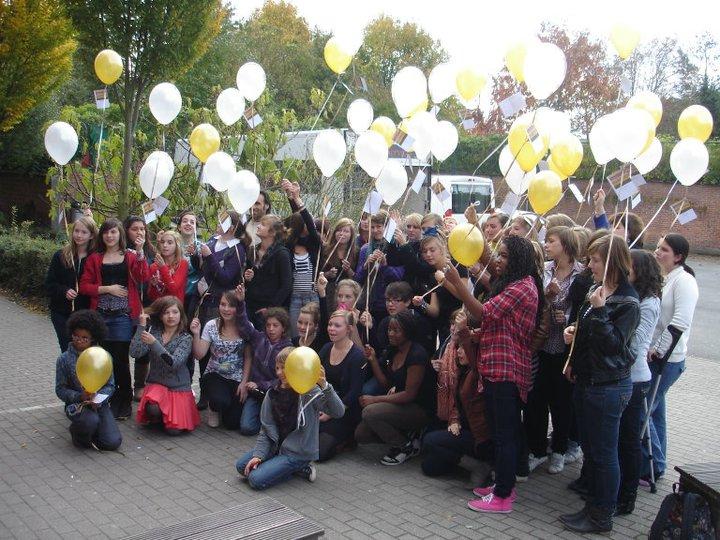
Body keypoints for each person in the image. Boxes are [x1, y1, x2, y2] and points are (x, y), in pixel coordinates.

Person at [443, 235, 543, 514]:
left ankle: (503, 496)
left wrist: (459, 284)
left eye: (505, 256)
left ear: (519, 260)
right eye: (499, 254)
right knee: (501, 433)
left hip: (507, 370)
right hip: (494, 368)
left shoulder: (523, 287)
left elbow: (485, 313)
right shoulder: (513, 284)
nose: (498, 260)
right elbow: (497, 327)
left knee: (506, 435)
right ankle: (501, 485)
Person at [560, 234, 639, 533]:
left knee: (605, 454)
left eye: (595, 259)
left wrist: (602, 310)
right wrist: (573, 333)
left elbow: (615, 345)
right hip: (587, 379)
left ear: (611, 263)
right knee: (592, 450)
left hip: (608, 386)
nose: (589, 264)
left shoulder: (628, 302)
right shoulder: (597, 289)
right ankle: (591, 505)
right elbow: (587, 328)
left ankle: (602, 515)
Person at [235, 347, 345, 490]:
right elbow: (266, 428)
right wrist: (259, 456)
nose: (279, 373)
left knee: (255, 480)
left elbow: (338, 411)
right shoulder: (272, 393)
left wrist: (325, 386)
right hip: (276, 446)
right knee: (241, 466)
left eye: (284, 368)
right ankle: (285, 466)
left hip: (297, 453)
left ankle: (300, 466)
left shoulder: (309, 392)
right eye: (277, 368)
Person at [525, 226, 584, 475]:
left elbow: (582, 311)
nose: (546, 245)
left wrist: (567, 317)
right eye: (546, 241)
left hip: (564, 348)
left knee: (562, 403)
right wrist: (546, 297)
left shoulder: (581, 275)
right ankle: (538, 450)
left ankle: (559, 450)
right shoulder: (545, 270)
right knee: (537, 400)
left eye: (551, 241)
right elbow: (534, 301)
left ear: (566, 246)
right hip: (542, 344)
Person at [79, 218, 150, 420]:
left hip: (122, 317)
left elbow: (143, 277)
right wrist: (106, 289)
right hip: (100, 316)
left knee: (120, 361)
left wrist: (141, 252)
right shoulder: (95, 258)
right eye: (106, 232)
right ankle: (106, 398)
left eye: (113, 232)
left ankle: (124, 400)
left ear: (120, 234)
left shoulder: (130, 256)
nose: (110, 236)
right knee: (104, 360)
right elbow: (84, 286)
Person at [643, 233, 699, 480]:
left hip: (667, 359)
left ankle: (651, 465)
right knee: (655, 412)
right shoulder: (666, 278)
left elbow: (680, 321)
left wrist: (658, 351)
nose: (658, 252)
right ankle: (658, 463)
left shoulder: (684, 281)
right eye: (657, 248)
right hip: (657, 354)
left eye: (664, 249)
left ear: (678, 256)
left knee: (646, 411)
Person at [355, 311, 436, 465]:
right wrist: (373, 360)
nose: (390, 334)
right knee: (362, 435)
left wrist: (375, 399)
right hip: (400, 404)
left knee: (369, 412)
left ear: (408, 332)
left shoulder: (417, 355)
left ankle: (405, 446)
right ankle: (406, 434)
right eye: (389, 330)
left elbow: (409, 395)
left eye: (396, 331)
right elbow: (386, 383)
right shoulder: (392, 350)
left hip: (419, 407)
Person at [617, 249, 662, 514]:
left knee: (629, 440)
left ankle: (627, 495)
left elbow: (634, 343)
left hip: (634, 378)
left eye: (628, 267)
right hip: (623, 375)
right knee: (620, 439)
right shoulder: (630, 296)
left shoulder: (648, 303)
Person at [196, 211, 246, 408]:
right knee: (203, 342)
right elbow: (202, 269)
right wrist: (196, 255)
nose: (218, 223)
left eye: (223, 221)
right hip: (203, 300)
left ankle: (215, 391)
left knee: (217, 346)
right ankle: (203, 391)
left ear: (232, 227)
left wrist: (209, 258)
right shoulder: (211, 241)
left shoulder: (237, 249)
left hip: (221, 302)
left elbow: (226, 277)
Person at [421, 338, 489, 478]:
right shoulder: (462, 371)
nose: (458, 351)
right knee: (429, 467)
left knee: (430, 441)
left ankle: (479, 467)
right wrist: (454, 420)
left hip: (477, 434)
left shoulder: (479, 375)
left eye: (463, 349)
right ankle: (464, 462)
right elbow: (456, 404)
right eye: (458, 348)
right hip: (460, 427)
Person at [55, 310, 122, 451]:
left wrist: (99, 399)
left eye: (84, 338)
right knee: (90, 421)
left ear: (93, 338)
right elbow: (60, 389)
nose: (79, 340)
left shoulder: (104, 356)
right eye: (76, 336)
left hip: (99, 404)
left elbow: (110, 385)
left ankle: (94, 431)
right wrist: (79, 396)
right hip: (76, 405)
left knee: (112, 442)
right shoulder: (64, 359)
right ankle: (77, 434)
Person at [131, 296, 198, 435]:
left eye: (175, 312)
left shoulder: (186, 338)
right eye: (166, 312)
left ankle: (168, 417)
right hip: (157, 385)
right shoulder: (154, 332)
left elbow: (174, 363)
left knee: (174, 432)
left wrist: (154, 343)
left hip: (178, 388)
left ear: (181, 315)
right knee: (153, 409)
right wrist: (141, 326)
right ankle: (159, 416)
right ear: (160, 316)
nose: (171, 316)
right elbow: (135, 353)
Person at [233, 284, 293, 436]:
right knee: (246, 428)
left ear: (283, 328)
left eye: (275, 326)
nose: (271, 329)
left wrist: (260, 384)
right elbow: (244, 326)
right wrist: (240, 303)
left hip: (273, 396)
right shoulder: (259, 338)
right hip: (254, 393)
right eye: (268, 325)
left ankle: (267, 422)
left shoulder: (288, 350)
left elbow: (283, 380)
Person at [191, 291, 252, 429]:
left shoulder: (247, 327)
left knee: (232, 424)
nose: (226, 309)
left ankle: (226, 407)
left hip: (237, 377)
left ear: (239, 307)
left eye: (231, 306)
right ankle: (213, 407)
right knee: (220, 401)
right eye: (223, 304)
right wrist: (196, 334)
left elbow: (248, 357)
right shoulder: (211, 325)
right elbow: (199, 355)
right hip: (215, 374)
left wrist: (244, 382)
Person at [317, 310, 365, 461]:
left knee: (320, 453)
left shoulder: (357, 356)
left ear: (349, 329)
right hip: (322, 405)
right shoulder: (326, 348)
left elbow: (354, 392)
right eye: (330, 324)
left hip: (344, 411)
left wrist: (331, 413)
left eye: (337, 325)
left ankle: (346, 440)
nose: (331, 328)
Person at [46, 216, 97, 352]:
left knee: (84, 351)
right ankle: (67, 373)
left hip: (85, 314)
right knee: (67, 349)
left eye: (84, 232)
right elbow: (49, 284)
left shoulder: (96, 258)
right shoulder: (61, 255)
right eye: (76, 231)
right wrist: (64, 291)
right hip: (61, 312)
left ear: (91, 235)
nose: (79, 235)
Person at [282, 180, 322, 338]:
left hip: (312, 296)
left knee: (312, 335)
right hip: (295, 296)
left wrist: (296, 198)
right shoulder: (290, 245)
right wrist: (290, 197)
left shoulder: (314, 244)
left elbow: (308, 222)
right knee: (295, 335)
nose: (310, 224)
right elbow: (297, 217)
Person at [411, 235, 466, 346]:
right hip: (444, 327)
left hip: (460, 323)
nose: (428, 254)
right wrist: (422, 303)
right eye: (425, 251)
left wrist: (444, 281)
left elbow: (464, 295)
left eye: (432, 250)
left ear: (441, 249)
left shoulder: (457, 265)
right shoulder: (433, 275)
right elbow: (435, 311)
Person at [354, 210, 404, 326]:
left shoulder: (396, 247)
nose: (375, 230)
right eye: (373, 227)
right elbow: (357, 279)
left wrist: (384, 265)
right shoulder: (365, 249)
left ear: (387, 227)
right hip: (369, 302)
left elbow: (399, 277)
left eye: (379, 226)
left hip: (389, 303)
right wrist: (366, 266)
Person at [244, 214, 293, 329]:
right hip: (250, 306)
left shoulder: (282, 254)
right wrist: (247, 277)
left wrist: (270, 309)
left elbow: (286, 285)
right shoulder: (253, 250)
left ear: (273, 232)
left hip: (269, 311)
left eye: (263, 225)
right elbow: (246, 280)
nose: (258, 226)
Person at [319, 218, 358, 310]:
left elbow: (357, 279)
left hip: (346, 295)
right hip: (327, 292)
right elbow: (318, 274)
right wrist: (328, 274)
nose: (342, 234)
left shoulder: (356, 252)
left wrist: (349, 270)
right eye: (339, 230)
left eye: (346, 231)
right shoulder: (325, 249)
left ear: (351, 235)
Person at [148, 230, 189, 303]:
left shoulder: (182, 264)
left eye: (169, 243)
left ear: (177, 245)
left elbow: (173, 288)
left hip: (174, 309)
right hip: (159, 309)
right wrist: (153, 286)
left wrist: (163, 267)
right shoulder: (153, 266)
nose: (165, 245)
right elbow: (152, 297)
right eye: (162, 242)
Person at [176, 210, 203, 317]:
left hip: (193, 295)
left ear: (196, 228)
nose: (188, 224)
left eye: (192, 222)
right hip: (174, 293)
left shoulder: (202, 247)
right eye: (185, 221)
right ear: (179, 227)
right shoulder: (170, 245)